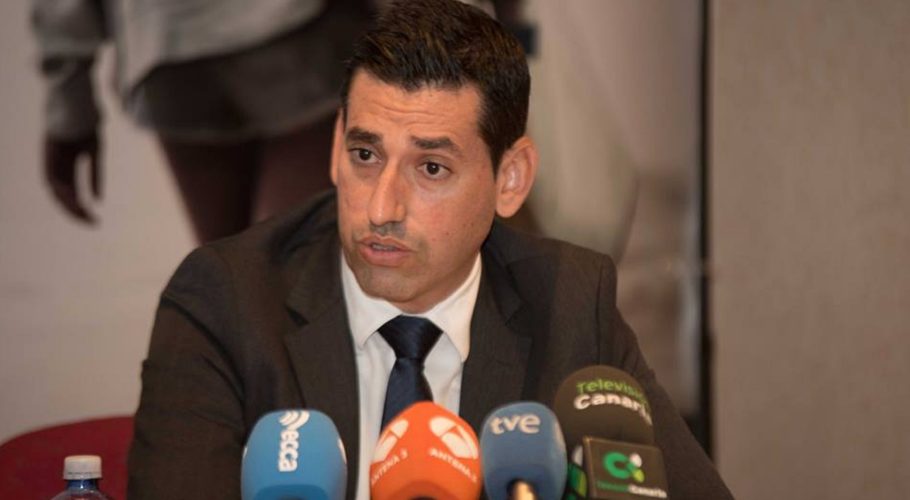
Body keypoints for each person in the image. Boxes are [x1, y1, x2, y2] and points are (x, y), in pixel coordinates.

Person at [127, 1, 733, 498]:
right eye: (366, 155)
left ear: (510, 180)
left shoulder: (571, 303)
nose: (382, 207)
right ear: (336, 149)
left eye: (432, 168)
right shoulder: (224, 302)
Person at [32, 0, 371, 242]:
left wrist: (68, 100)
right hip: (299, 31)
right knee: (283, 274)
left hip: (169, 38)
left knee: (233, 282)